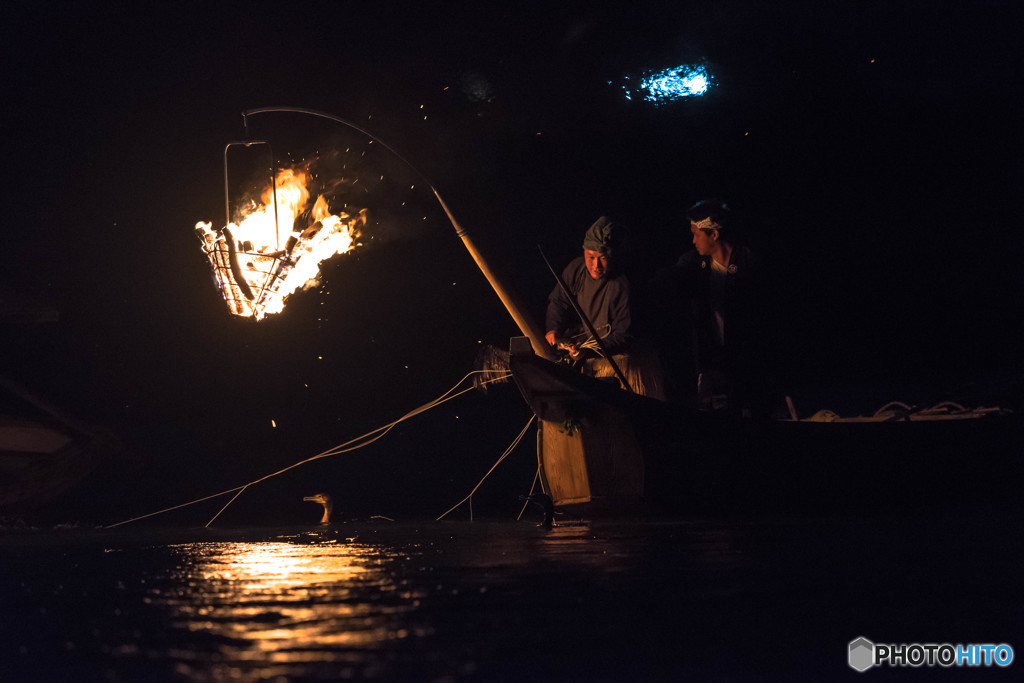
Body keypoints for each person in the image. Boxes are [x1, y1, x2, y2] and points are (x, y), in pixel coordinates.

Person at [663, 199, 766, 414]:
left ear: (714, 235)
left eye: (696, 234)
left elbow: (759, 322)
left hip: (748, 366)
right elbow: (669, 279)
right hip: (714, 363)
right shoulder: (696, 264)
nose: (693, 241)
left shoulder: (749, 265)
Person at [545, 216, 664, 398]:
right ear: (583, 251)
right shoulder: (575, 270)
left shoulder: (622, 285)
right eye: (590, 257)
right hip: (594, 360)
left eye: (602, 258)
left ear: (613, 256)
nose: (596, 265)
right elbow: (559, 301)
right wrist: (553, 329)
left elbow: (623, 336)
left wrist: (587, 349)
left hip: (625, 363)